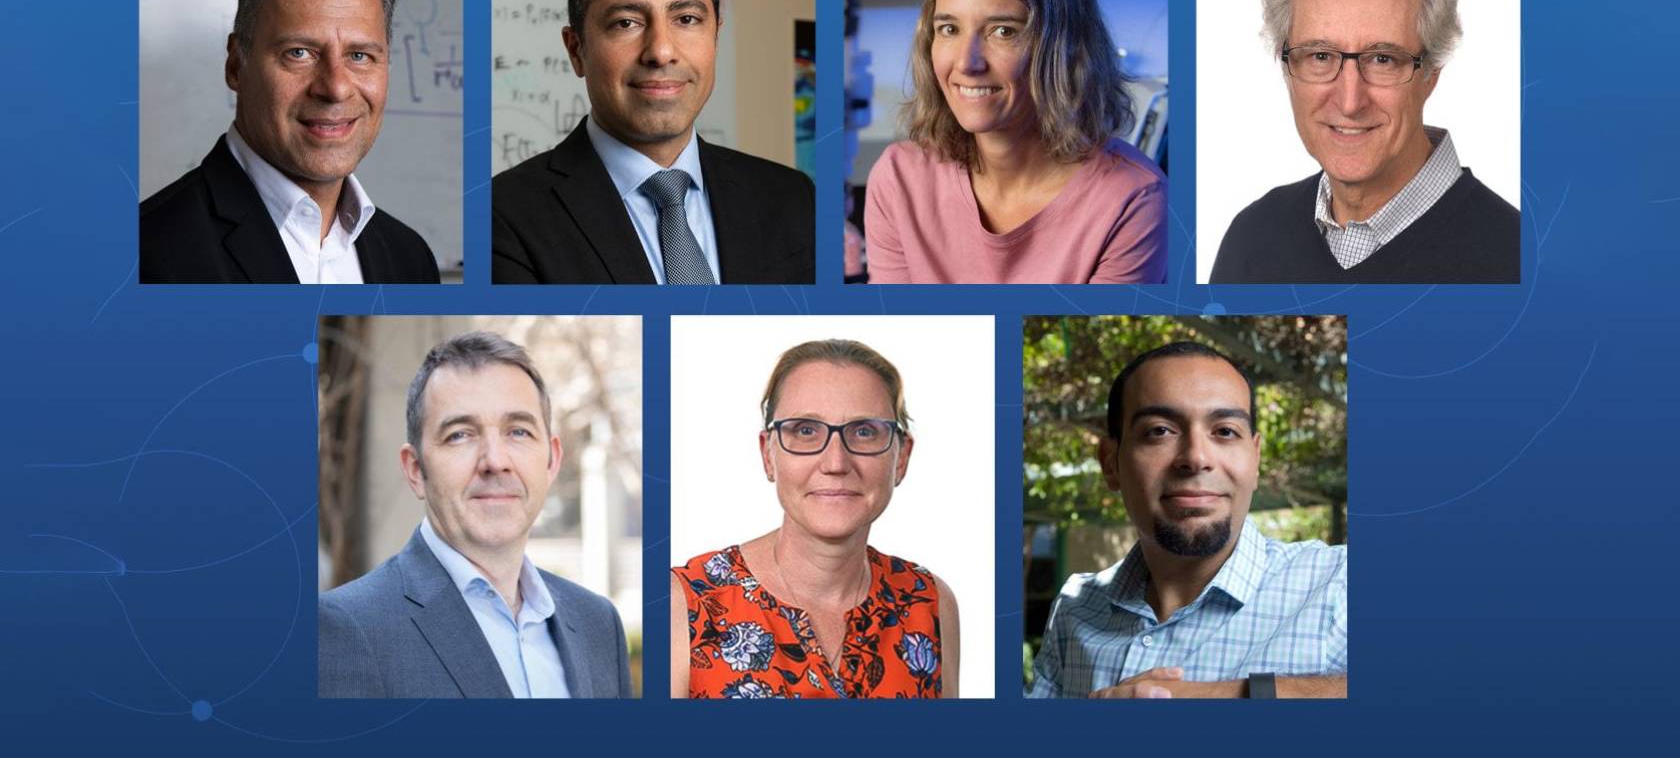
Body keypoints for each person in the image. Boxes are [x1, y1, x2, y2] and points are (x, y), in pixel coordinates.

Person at [492, 0, 815, 284]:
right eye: (626, 23)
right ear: (577, 49)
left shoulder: (793, 197)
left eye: (687, 19)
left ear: (715, 37)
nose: (661, 51)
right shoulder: (502, 215)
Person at [318, 331, 632, 698]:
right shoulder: (347, 630)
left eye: (518, 432)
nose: (495, 461)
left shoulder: (599, 624)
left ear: (551, 461)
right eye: (460, 435)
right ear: (416, 470)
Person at [1027, 342, 1346, 698]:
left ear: (1255, 459)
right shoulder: (1076, 607)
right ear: (1110, 462)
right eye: (1160, 431)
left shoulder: (1340, 583)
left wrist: (1230, 697)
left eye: (1225, 431)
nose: (1196, 458)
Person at [1210, 0, 1518, 283]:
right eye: (1320, 56)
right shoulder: (1252, 237)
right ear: (1286, 67)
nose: (1350, 102)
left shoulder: (1518, 259)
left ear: (1431, 71)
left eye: (1383, 59)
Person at [863, 0, 1165, 284]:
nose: (967, 63)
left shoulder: (1132, 199)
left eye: (1003, 31)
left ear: (1064, 47)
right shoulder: (899, 180)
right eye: (949, 29)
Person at [140, 0, 439, 284]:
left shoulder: (410, 259)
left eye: (359, 56)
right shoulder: (146, 253)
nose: (336, 88)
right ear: (236, 65)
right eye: (299, 52)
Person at [670, 339, 959, 698]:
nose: (835, 463)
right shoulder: (684, 604)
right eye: (805, 431)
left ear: (901, 458)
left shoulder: (928, 602)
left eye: (864, 432)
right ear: (768, 455)